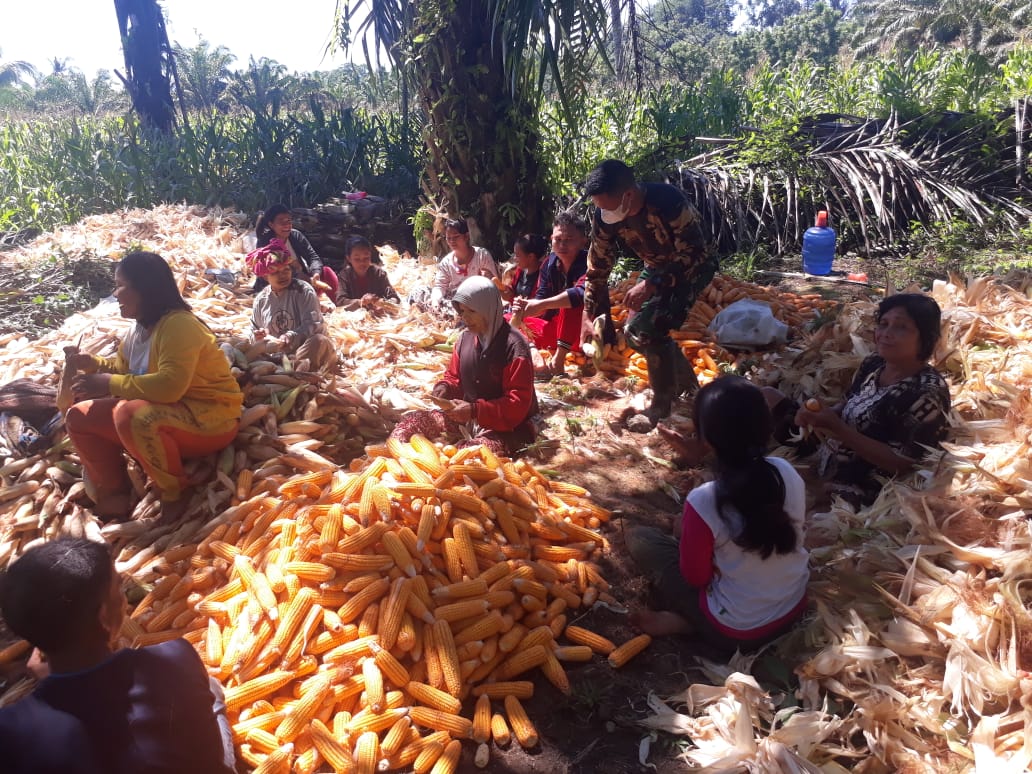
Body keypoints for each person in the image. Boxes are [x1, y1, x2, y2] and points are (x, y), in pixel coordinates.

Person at [0, 538, 235, 774]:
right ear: (103, 616)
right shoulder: (175, 658)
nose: (124, 600)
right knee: (212, 689)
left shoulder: (11, 730)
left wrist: (54, 682)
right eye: (118, 589)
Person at [625, 376, 809, 655]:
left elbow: (696, 578)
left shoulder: (704, 501)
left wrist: (685, 534)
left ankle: (688, 624)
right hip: (793, 607)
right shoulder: (786, 471)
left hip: (736, 632)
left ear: (706, 437)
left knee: (643, 539)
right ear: (765, 426)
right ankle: (692, 622)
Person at [64, 252, 243, 525]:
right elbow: (126, 370)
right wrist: (94, 364)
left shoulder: (179, 326)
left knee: (131, 414)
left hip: (210, 419)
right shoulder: (137, 331)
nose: (115, 294)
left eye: (120, 285)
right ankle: (114, 489)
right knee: (79, 416)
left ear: (145, 289)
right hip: (167, 416)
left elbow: (169, 387)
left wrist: (108, 384)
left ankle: (174, 492)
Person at [763, 293, 951, 507]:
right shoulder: (874, 363)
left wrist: (839, 429)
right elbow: (849, 401)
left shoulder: (927, 393)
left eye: (901, 327)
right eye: (883, 324)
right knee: (767, 396)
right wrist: (823, 414)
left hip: (860, 476)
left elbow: (902, 463)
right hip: (826, 447)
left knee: (779, 496)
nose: (886, 333)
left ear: (925, 338)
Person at [582, 159, 718, 422]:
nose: (604, 214)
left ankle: (661, 406)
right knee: (633, 335)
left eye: (607, 207)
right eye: (600, 209)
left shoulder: (668, 202)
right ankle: (687, 387)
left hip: (693, 267)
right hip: (656, 267)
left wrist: (651, 285)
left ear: (629, 195)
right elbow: (598, 265)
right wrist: (588, 314)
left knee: (647, 331)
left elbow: (696, 252)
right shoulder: (606, 215)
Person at [389, 276, 538, 457]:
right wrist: (444, 388)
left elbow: (517, 404)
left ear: (488, 310)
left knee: (466, 455)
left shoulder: (514, 347)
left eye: (472, 311)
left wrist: (475, 410)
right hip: (467, 418)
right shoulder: (465, 340)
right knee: (411, 424)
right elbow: (454, 377)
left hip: (509, 428)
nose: (465, 318)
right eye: (462, 311)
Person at [512, 211, 590, 376]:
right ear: (551, 240)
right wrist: (525, 308)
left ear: (583, 241)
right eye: (558, 239)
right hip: (555, 331)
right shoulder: (549, 263)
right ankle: (532, 352)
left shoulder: (591, 263)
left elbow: (581, 293)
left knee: (571, 301)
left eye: (569, 240)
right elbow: (541, 301)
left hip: (584, 334)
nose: (562, 245)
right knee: (506, 319)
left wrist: (542, 304)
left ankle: (558, 361)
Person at [247, 240, 339, 372]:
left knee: (318, 341)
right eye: (275, 272)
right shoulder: (261, 300)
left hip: (303, 353)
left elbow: (313, 325)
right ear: (265, 276)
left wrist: (290, 336)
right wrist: (258, 337)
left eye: (286, 269)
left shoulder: (303, 290)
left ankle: (294, 373)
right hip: (277, 357)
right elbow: (252, 331)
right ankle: (284, 372)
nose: (283, 275)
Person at [253, 204, 339, 298]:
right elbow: (268, 270)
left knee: (327, 271)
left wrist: (316, 273)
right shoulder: (265, 242)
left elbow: (312, 257)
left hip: (305, 280)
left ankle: (335, 301)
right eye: (282, 222)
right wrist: (300, 278)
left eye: (289, 221)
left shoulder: (296, 235)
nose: (287, 225)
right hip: (279, 283)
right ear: (271, 225)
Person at [429, 219, 499, 312]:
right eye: (448, 238)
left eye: (456, 237)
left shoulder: (482, 256)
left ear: (466, 236)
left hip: (478, 303)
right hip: (454, 304)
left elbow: (494, 285)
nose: (451, 241)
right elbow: (440, 286)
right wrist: (435, 301)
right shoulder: (446, 263)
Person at [336, 235, 401, 310]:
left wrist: (384, 304)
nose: (362, 262)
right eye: (357, 259)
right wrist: (360, 302)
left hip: (379, 317)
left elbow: (395, 298)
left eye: (366, 258)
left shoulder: (379, 273)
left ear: (370, 256)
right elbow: (340, 301)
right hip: (354, 318)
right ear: (349, 259)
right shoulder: (344, 276)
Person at [497, 233, 548, 304]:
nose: (514, 258)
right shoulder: (519, 271)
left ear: (531, 257)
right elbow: (512, 295)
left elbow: (538, 304)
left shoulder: (543, 276)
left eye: (517, 255)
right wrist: (505, 293)